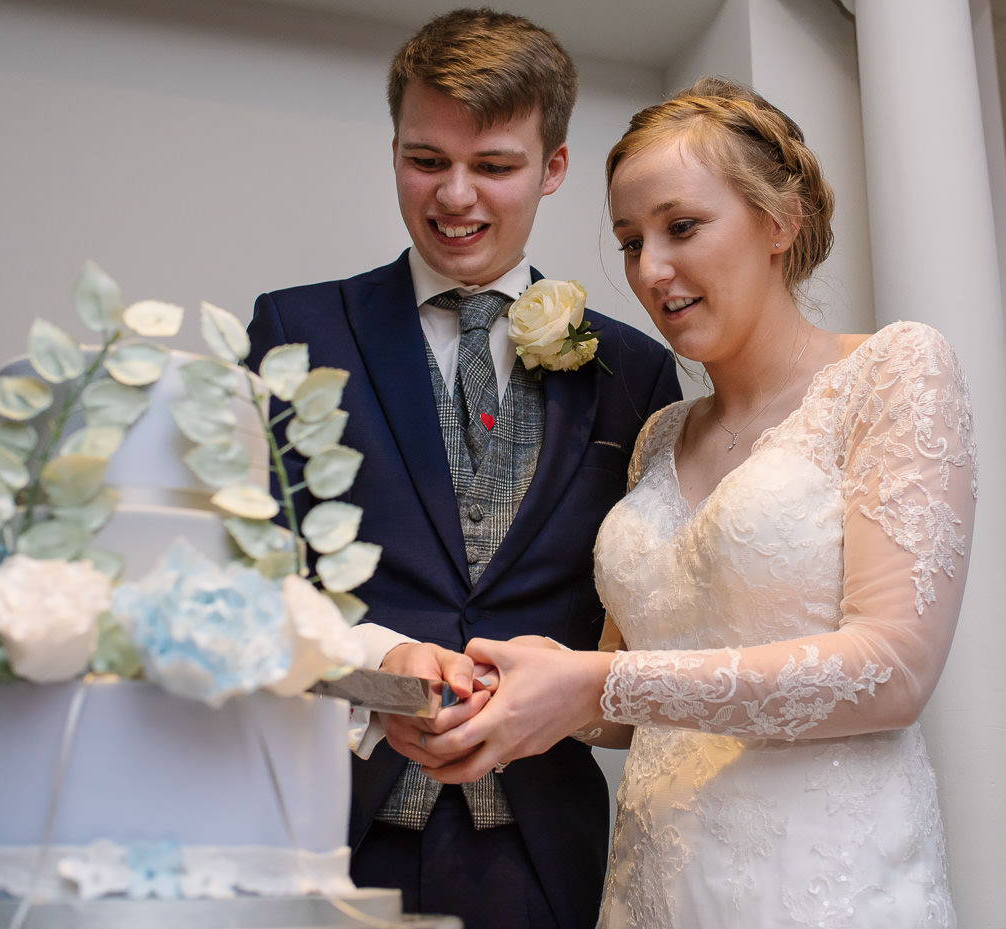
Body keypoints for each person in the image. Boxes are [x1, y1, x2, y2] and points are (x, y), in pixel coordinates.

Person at [422, 77, 978, 928]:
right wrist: (533, 680)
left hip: (826, 884)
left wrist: (597, 681)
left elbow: (892, 670)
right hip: (655, 883)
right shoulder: (660, 435)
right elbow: (629, 699)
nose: (651, 270)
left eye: (682, 227)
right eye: (630, 239)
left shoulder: (891, 373)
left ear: (781, 222)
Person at [245, 10, 682, 929]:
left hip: (542, 848)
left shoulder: (633, 371)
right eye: (426, 159)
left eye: (493, 166)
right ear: (394, 149)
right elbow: (247, 591)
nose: (454, 196)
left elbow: (641, 634)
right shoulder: (295, 331)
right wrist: (375, 681)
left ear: (553, 167)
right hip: (331, 824)